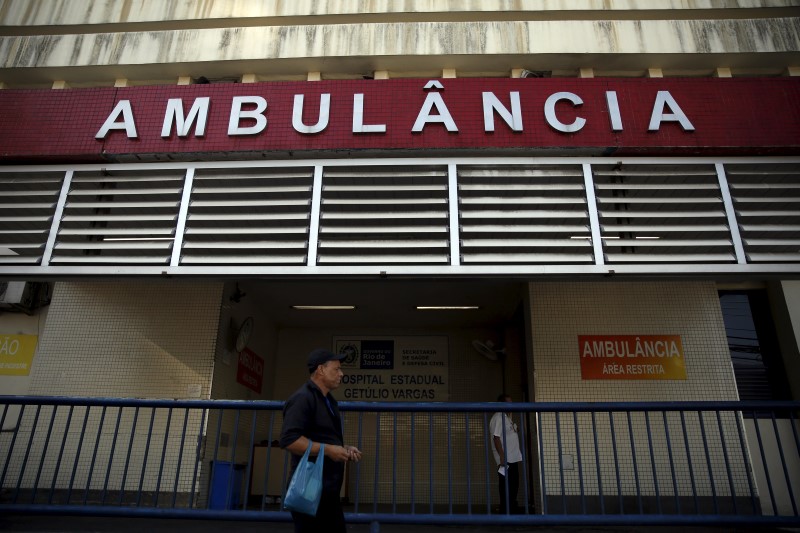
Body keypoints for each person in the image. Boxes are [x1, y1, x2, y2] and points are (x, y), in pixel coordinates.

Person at [279, 348, 363, 533]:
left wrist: (344, 448)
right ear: (321, 370)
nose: (342, 373)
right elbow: (289, 440)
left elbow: (323, 439)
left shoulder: (329, 401)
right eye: (337, 369)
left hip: (328, 490)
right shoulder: (303, 398)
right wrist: (329, 450)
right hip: (310, 488)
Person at [489, 393, 522, 514]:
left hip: (512, 458)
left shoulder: (507, 417)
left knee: (513, 484)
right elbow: (496, 437)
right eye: (509, 402)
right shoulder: (499, 417)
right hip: (506, 459)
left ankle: (510, 508)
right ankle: (506, 510)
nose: (511, 405)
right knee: (506, 486)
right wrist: (502, 457)